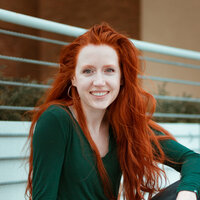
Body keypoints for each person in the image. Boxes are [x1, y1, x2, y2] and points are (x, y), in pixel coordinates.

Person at [25, 23, 200, 200]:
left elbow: (192, 159)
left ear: (121, 78)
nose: (99, 81)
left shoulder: (122, 123)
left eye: (109, 70)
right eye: (88, 71)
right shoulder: (56, 120)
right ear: (73, 78)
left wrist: (188, 192)